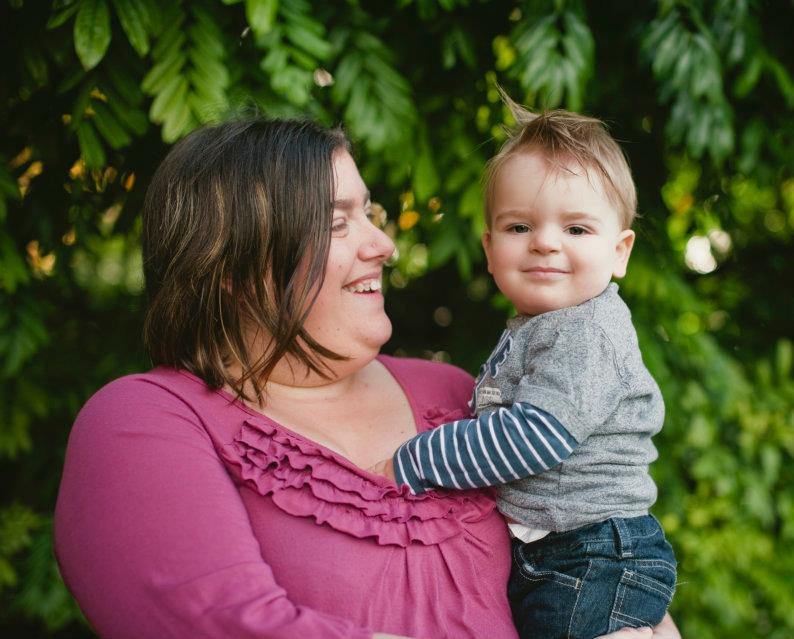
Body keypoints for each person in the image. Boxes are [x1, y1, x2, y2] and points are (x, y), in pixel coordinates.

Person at [53, 118, 680, 639]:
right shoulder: (146, 421)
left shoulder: (451, 392)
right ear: (232, 266)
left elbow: (592, 561)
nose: (384, 244)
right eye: (337, 222)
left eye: (370, 213)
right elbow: (217, 622)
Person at [369, 99, 676, 638]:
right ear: (490, 249)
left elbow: (537, 435)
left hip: (595, 553)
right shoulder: (542, 328)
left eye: (576, 229)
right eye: (519, 226)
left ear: (620, 251)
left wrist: (418, 458)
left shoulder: (587, 332)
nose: (545, 242)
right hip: (562, 553)